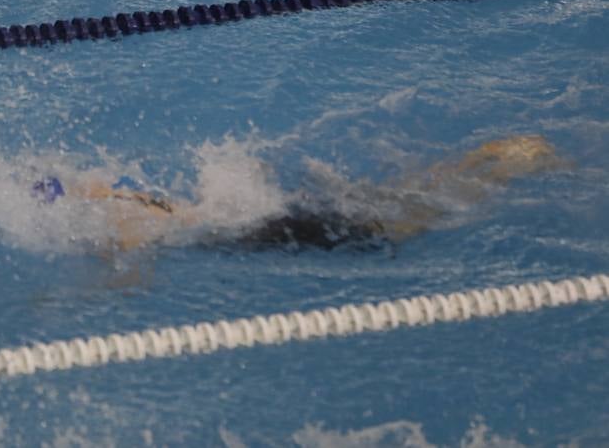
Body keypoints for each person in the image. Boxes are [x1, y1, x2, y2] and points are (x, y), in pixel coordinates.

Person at [32, 134, 564, 252]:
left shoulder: (124, 223)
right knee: (405, 199)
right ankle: (505, 154)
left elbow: (128, 283)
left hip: (276, 228)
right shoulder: (131, 201)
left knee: (409, 216)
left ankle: (513, 160)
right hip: (273, 213)